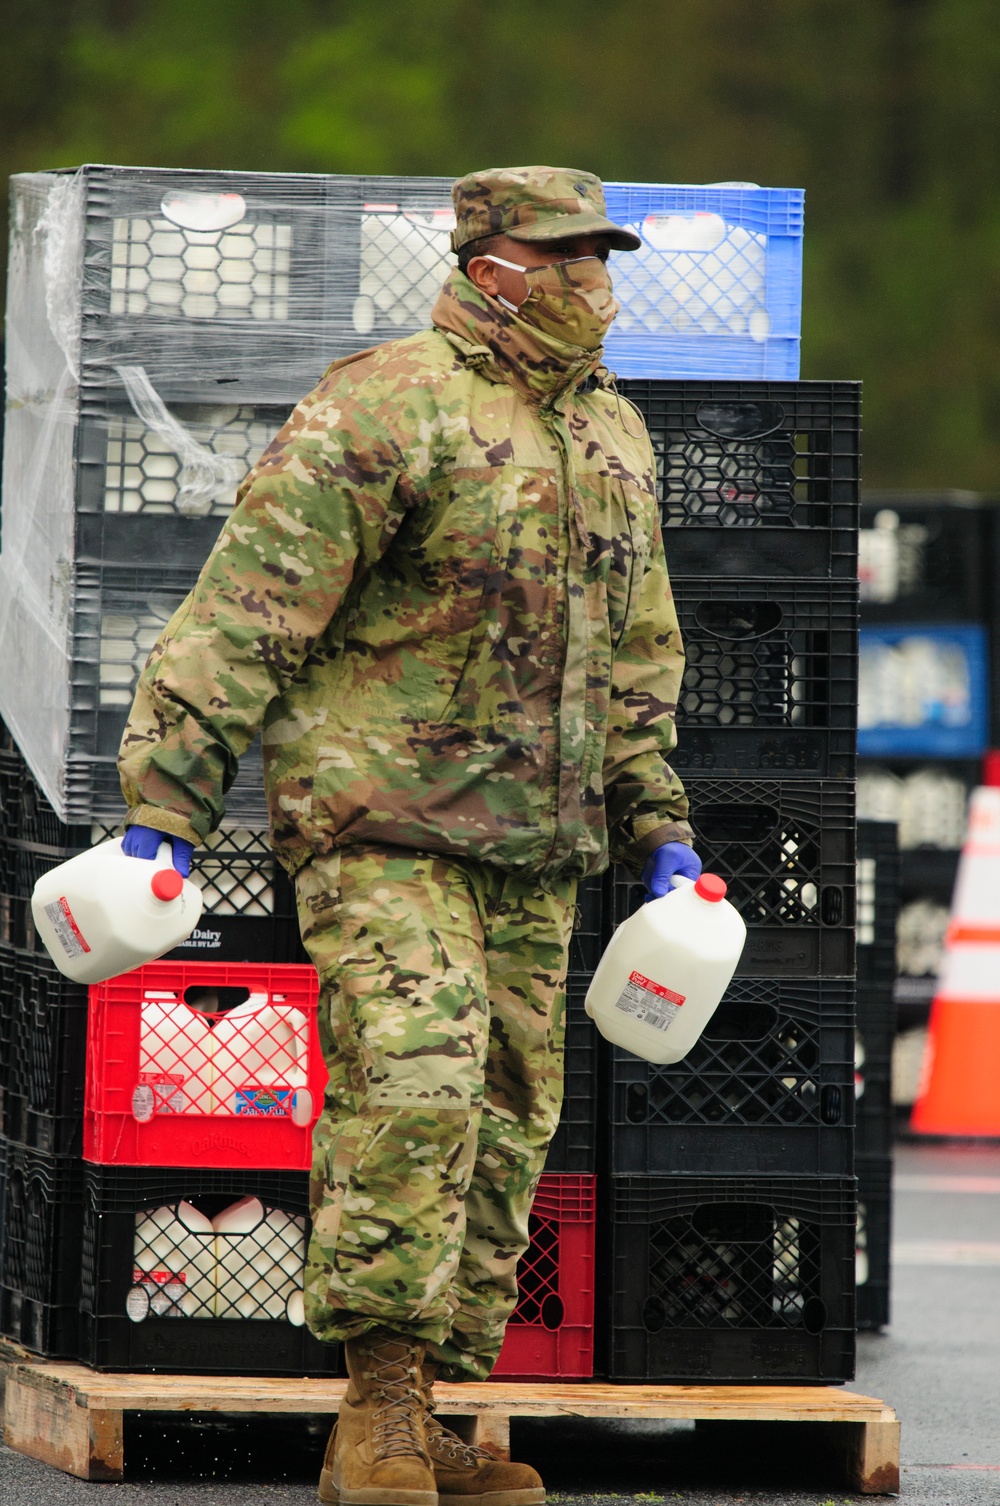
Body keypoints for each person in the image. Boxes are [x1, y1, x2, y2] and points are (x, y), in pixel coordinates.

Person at [118, 165, 700, 1506]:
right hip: (382, 822)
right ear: (487, 265)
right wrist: (168, 805)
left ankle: (431, 1404)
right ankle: (373, 1405)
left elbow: (638, 648)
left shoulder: (614, 436)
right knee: (417, 1091)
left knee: (504, 1128)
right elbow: (249, 607)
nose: (586, 283)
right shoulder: (385, 402)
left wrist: (655, 819)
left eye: (597, 258)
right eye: (559, 258)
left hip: (537, 843)